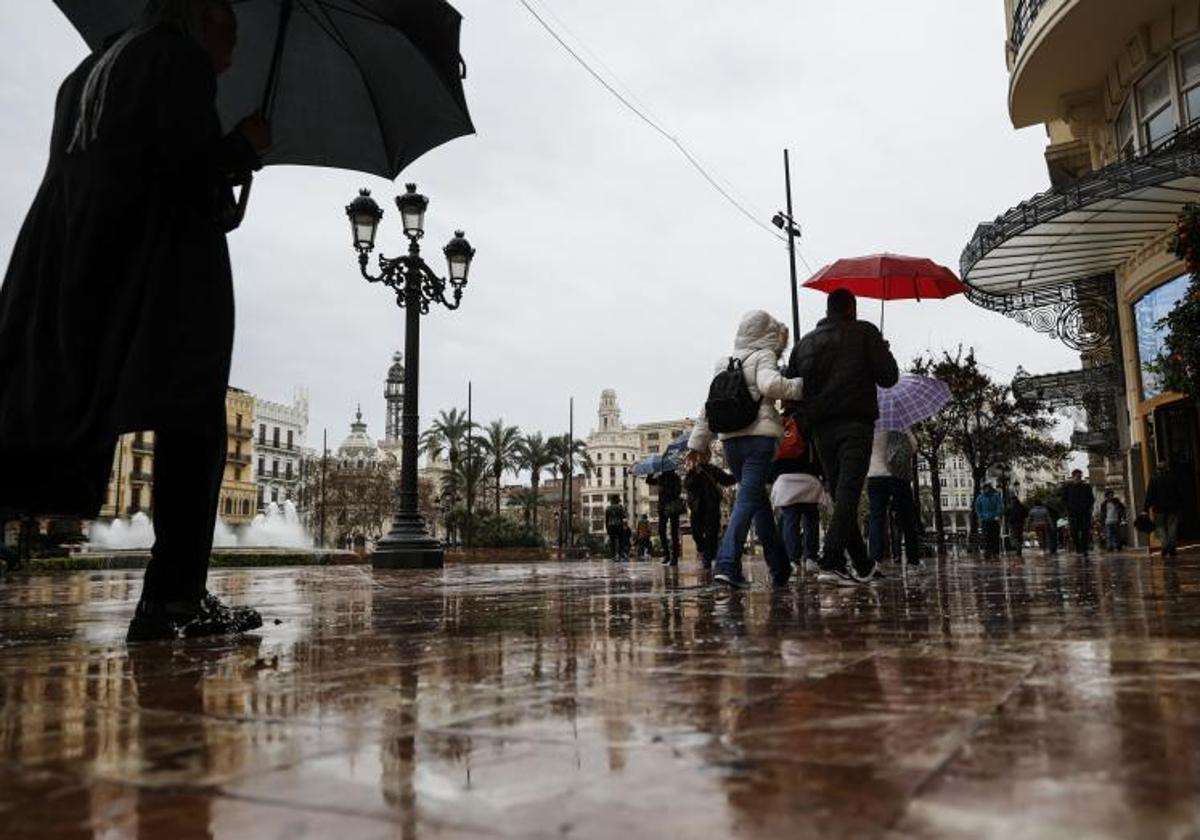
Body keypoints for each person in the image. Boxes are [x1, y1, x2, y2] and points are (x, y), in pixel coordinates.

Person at [0, 0, 270, 641]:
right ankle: (173, 598)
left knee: (47, 407)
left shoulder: (92, 69)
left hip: (73, 255)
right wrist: (243, 147)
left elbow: (135, 162)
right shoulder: (177, 60)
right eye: (229, 26)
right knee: (193, 415)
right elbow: (185, 172)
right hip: (157, 276)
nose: (233, 44)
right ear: (201, 16)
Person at [786, 289, 899, 584]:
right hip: (855, 423)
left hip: (821, 429)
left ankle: (862, 564)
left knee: (841, 493)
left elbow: (791, 388)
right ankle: (832, 559)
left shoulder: (804, 344)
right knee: (848, 492)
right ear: (852, 307)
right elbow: (889, 377)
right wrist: (882, 350)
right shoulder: (864, 332)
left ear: (828, 308)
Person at [687, 311, 803, 588]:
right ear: (768, 333)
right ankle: (727, 564)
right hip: (759, 440)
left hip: (730, 443)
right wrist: (801, 386)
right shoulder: (764, 356)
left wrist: (697, 443)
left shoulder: (723, 362)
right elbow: (770, 384)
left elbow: (709, 405)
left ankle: (780, 567)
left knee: (757, 503)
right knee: (747, 501)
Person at [768, 418, 825, 574]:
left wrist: (772, 477)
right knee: (811, 518)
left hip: (785, 478)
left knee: (790, 519)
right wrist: (825, 478)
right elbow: (819, 451)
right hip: (809, 476)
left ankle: (793, 560)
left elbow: (773, 454)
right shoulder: (810, 422)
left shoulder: (781, 422)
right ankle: (811, 558)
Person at [865, 426, 921, 571]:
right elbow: (914, 446)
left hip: (875, 475)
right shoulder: (900, 423)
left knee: (876, 519)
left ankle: (875, 561)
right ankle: (913, 562)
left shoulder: (870, 424)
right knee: (907, 519)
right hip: (898, 476)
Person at [685, 461, 737, 570]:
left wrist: (739, 473)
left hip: (711, 506)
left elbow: (726, 480)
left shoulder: (713, 469)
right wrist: (697, 474)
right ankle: (703, 549)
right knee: (696, 533)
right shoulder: (692, 471)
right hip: (696, 507)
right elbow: (688, 485)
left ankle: (707, 558)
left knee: (711, 533)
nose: (702, 457)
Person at [1145, 461, 1183, 558]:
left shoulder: (1154, 479)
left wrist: (1145, 509)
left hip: (1159, 508)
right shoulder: (1173, 478)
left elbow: (1149, 495)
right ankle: (1172, 547)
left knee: (1160, 527)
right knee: (1172, 527)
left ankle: (1165, 545)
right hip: (1173, 507)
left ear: (1158, 469)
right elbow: (1179, 492)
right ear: (1167, 469)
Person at [646, 467, 684, 566]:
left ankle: (674, 557)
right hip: (662, 507)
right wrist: (651, 472)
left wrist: (667, 489)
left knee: (674, 532)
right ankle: (666, 554)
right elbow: (649, 481)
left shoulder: (675, 478)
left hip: (672, 507)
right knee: (661, 530)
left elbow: (678, 491)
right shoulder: (661, 477)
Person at [1061, 469, 1095, 557]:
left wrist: (1089, 508)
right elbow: (1064, 499)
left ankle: (1085, 549)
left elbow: (1091, 499)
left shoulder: (1086, 487)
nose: (1078, 478)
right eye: (1076, 476)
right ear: (1073, 477)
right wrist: (1067, 509)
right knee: (1074, 531)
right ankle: (1078, 547)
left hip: (1084, 513)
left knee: (1085, 531)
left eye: (1080, 476)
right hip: (1073, 513)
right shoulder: (1068, 487)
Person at [974, 484, 1003, 559]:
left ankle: (995, 552)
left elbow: (999, 506)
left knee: (995, 537)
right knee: (986, 537)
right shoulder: (980, 498)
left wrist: (997, 515)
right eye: (985, 489)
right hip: (985, 520)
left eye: (987, 488)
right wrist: (980, 517)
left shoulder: (995, 497)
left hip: (994, 519)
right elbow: (978, 508)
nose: (986, 490)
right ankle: (988, 551)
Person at [604, 496, 628, 561]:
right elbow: (624, 516)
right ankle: (620, 554)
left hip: (610, 526)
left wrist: (607, 528)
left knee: (612, 541)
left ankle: (613, 555)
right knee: (620, 540)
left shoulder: (608, 508)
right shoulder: (620, 508)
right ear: (617, 501)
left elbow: (606, 519)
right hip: (619, 525)